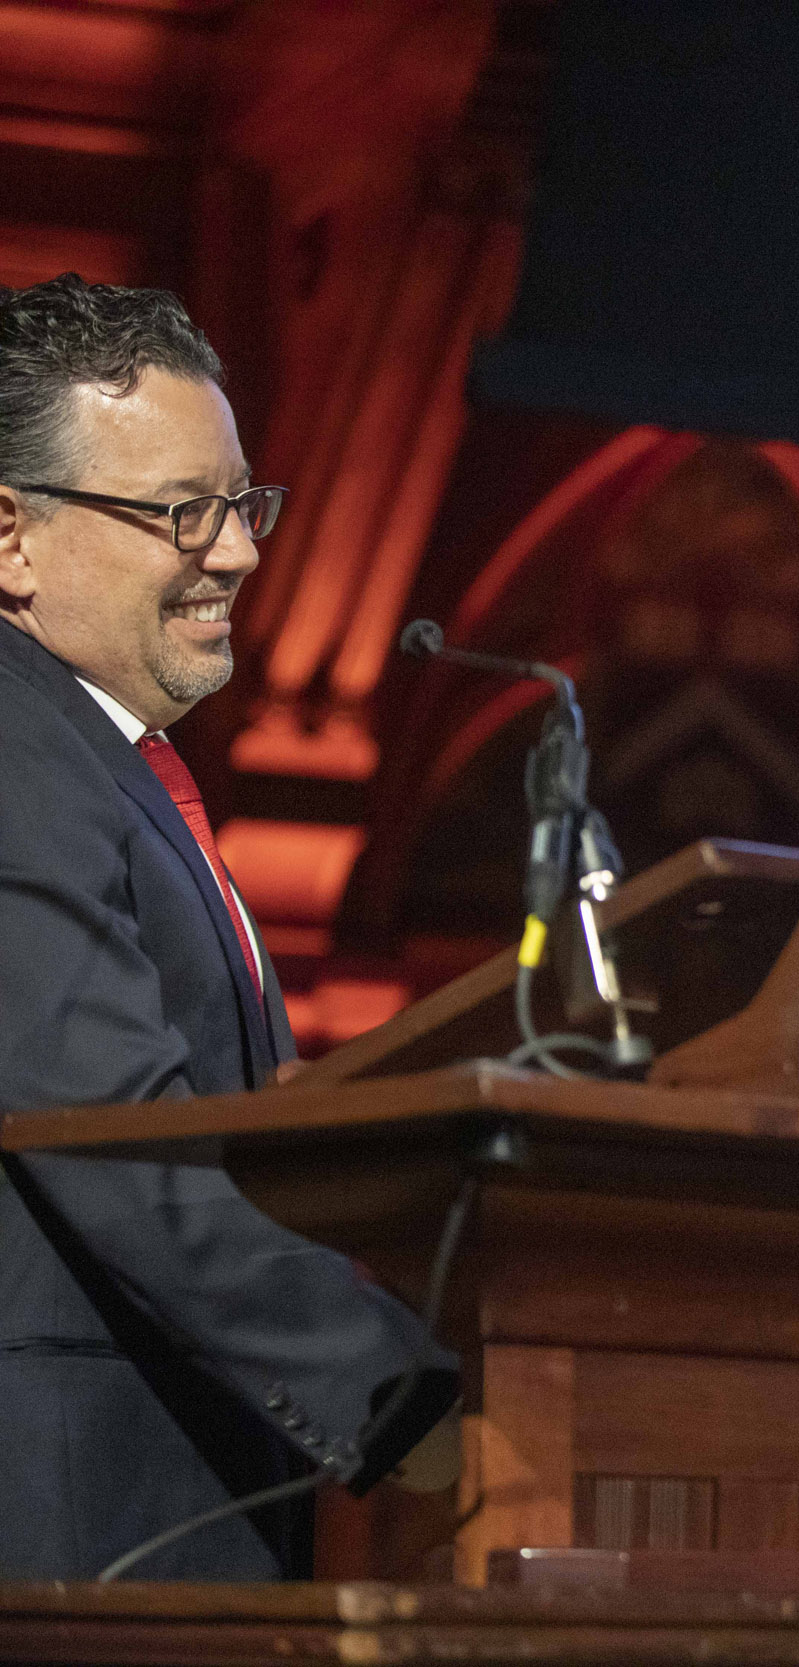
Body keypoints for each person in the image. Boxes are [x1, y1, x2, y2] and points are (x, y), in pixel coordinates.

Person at [0, 275, 456, 1579]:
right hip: (78, 1536)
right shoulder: (15, 754)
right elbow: (120, 1145)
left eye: (242, 502)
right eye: (181, 512)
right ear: (10, 539)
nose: (242, 550)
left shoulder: (96, 760)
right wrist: (401, 1390)